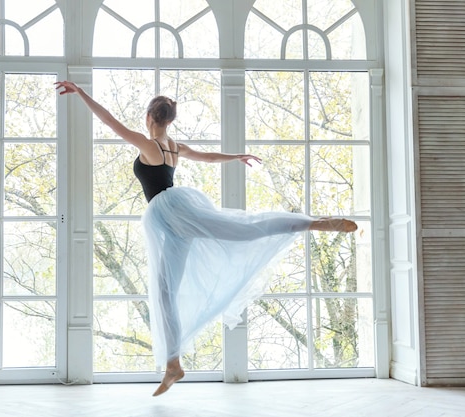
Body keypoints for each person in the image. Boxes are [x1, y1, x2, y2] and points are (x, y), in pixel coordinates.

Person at [55, 80, 357, 396]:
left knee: (240, 231)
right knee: (166, 289)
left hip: (170, 214)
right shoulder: (174, 148)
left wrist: (80, 92)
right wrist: (236, 156)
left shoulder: (149, 145)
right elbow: (209, 157)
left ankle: (312, 223)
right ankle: (173, 364)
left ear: (149, 117)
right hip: (173, 224)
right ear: (169, 120)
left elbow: (108, 120)